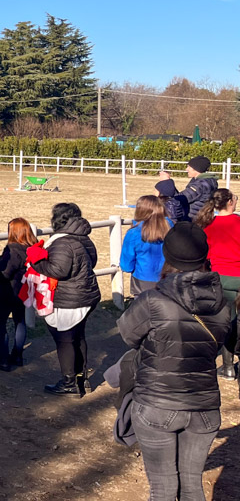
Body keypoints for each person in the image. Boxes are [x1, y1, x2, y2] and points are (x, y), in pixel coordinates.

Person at [117, 222, 231, 501]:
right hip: (204, 407)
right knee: (192, 486)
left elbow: (129, 336)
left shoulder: (152, 300)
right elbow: (228, 342)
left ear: (168, 256)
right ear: (205, 256)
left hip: (157, 403)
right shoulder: (225, 303)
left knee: (163, 489)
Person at [26, 202, 100, 396]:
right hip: (86, 293)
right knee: (78, 336)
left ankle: (69, 383)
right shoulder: (84, 239)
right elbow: (92, 261)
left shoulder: (62, 242)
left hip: (70, 298)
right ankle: (82, 379)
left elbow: (57, 270)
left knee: (65, 339)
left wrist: (36, 261)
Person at [194, 188, 240, 381]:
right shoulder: (238, 222)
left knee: (227, 322)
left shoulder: (207, 225)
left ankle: (228, 367)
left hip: (220, 277)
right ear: (229, 202)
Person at [0, 218, 32, 369]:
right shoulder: (31, 248)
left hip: (9, 291)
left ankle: (3, 359)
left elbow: (6, 272)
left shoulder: (13, 249)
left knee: (0, 322)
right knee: (20, 321)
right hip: (24, 290)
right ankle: (18, 355)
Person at [120, 195, 172, 297]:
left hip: (142, 279)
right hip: (168, 278)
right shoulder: (171, 227)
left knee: (143, 310)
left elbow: (126, 265)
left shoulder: (134, 233)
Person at [156, 156, 218, 222]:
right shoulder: (205, 181)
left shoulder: (200, 185)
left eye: (189, 167)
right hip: (201, 218)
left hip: (194, 220)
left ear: (196, 168)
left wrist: (166, 182)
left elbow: (179, 199)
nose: (186, 169)